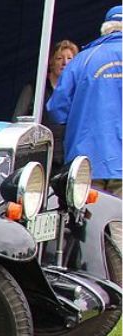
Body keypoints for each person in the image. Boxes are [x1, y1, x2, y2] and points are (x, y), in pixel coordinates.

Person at [47, 6, 122, 197]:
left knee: (89, 221)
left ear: (105, 28)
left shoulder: (82, 59)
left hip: (87, 159)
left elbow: (56, 109)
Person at [15, 40, 78, 167]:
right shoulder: (35, 88)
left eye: (70, 58)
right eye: (59, 58)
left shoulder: (77, 91)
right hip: (38, 153)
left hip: (65, 155)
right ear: (51, 62)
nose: (65, 63)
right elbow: (17, 120)